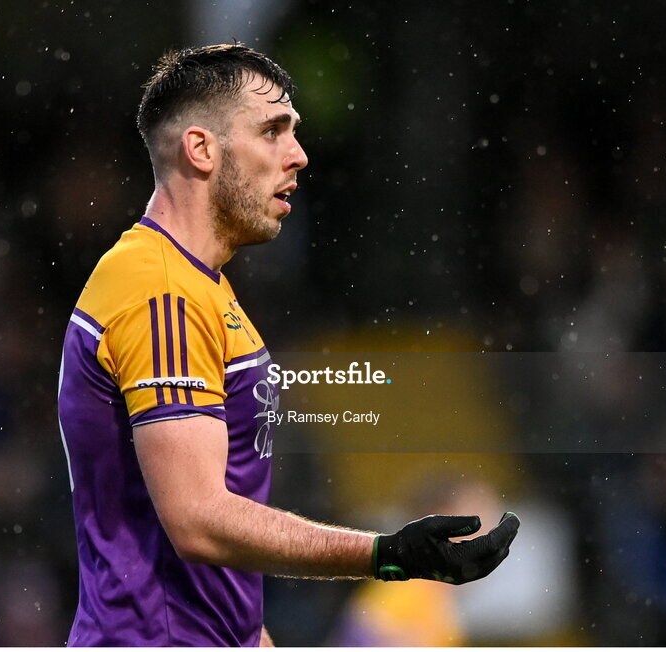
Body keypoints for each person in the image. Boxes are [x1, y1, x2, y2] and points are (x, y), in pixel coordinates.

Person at [56, 43, 520, 647]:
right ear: (201, 149)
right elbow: (197, 520)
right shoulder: (163, 293)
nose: (298, 156)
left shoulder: (199, 289)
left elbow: (206, 563)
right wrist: (386, 554)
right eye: (273, 130)